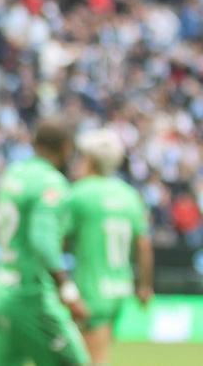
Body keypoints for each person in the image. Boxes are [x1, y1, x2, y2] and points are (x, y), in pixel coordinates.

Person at [0, 119, 90, 366]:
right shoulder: (51, 182)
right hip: (29, 294)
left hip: (0, 289)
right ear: (66, 147)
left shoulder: (14, 174)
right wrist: (68, 291)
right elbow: (42, 240)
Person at [67, 128, 153, 366]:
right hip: (119, 288)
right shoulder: (129, 195)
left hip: (91, 289)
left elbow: (58, 240)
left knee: (91, 361)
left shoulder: (80, 194)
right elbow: (144, 245)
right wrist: (144, 287)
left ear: (89, 160)